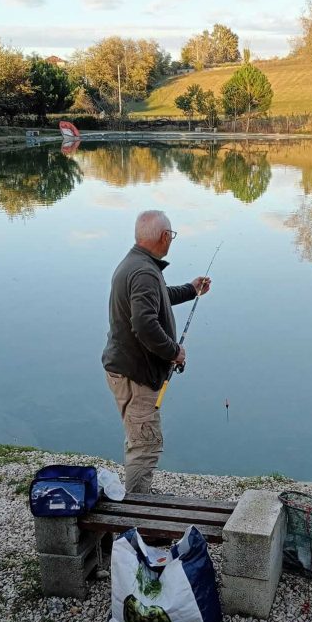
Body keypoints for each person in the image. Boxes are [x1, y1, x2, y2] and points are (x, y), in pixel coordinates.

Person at [102, 210, 211, 495]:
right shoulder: (143, 272)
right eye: (171, 235)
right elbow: (144, 324)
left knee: (139, 438)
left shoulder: (137, 264)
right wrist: (174, 351)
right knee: (145, 444)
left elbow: (158, 298)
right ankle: (137, 514)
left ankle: (138, 501)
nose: (171, 240)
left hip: (125, 368)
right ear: (164, 237)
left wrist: (191, 289)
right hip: (135, 375)